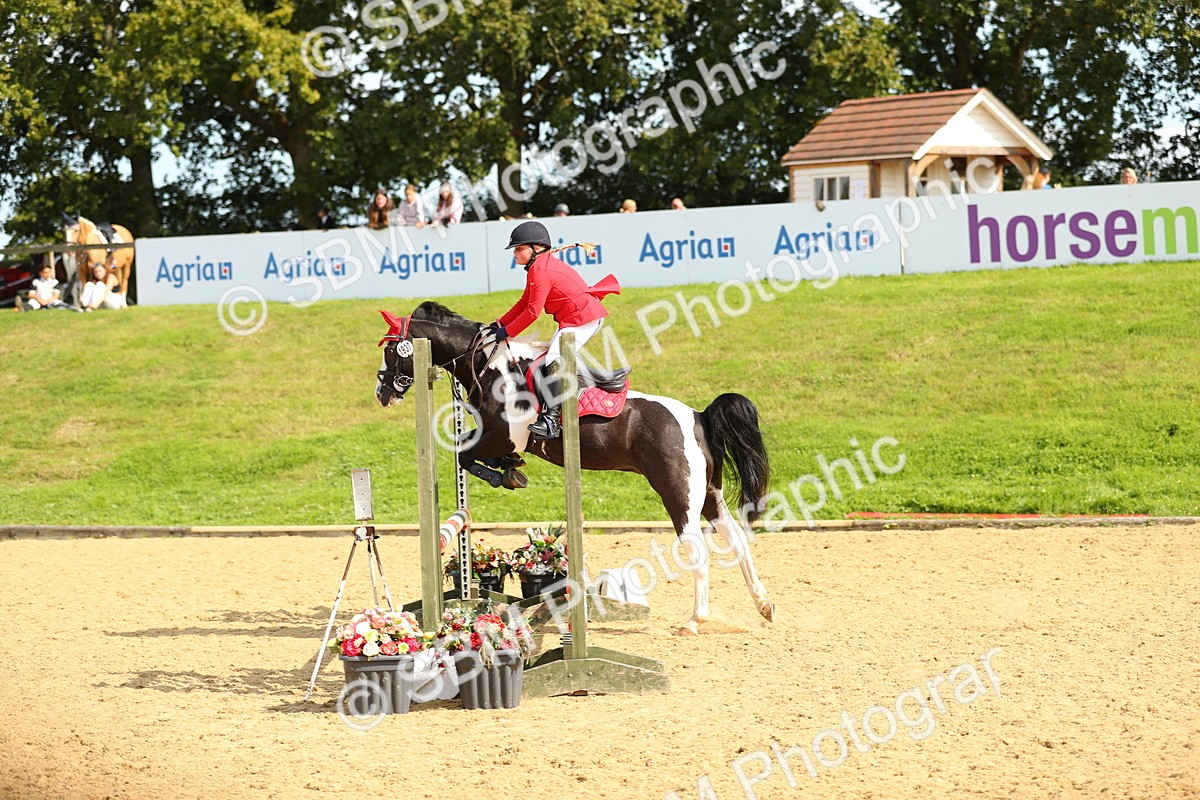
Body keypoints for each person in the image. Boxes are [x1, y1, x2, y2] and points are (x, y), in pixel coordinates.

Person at [483, 221, 620, 440]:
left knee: (554, 358)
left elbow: (532, 313)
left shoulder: (540, 271)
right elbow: (524, 302)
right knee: (548, 358)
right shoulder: (537, 267)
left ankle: (551, 420)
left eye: (519, 249)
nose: (515, 254)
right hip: (574, 319)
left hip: (583, 319)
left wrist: (506, 332)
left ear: (536, 248)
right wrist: (500, 324)